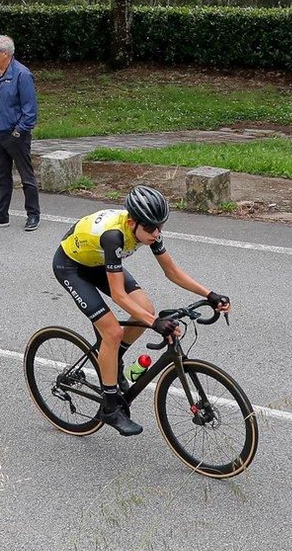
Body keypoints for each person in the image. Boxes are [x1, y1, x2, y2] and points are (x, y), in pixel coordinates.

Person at [52, 185, 229, 436]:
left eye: (160, 227)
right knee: (112, 332)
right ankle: (111, 408)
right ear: (133, 222)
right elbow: (118, 295)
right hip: (71, 267)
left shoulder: (150, 230)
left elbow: (172, 272)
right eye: (150, 228)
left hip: (99, 262)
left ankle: (115, 358)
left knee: (145, 308)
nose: (156, 234)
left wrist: (209, 294)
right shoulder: (114, 236)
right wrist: (154, 322)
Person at [0, 34, 40, 231]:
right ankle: (1, 214)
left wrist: (18, 131)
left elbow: (30, 109)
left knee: (26, 176)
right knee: (1, 176)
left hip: (15, 134)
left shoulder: (22, 74)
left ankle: (33, 214)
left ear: (5, 54)